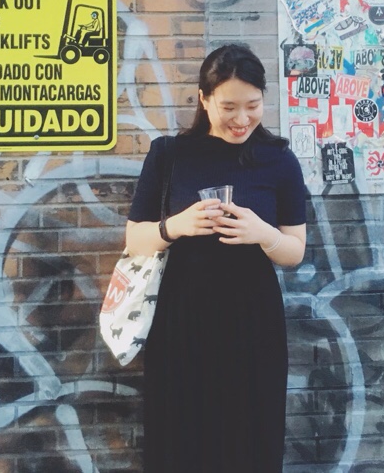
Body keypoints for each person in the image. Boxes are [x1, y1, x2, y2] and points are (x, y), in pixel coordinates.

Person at [125, 43, 308, 471]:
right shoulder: (169, 155)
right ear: (204, 100)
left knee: (249, 437)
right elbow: (134, 240)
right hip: (181, 320)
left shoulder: (279, 160)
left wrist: (263, 234)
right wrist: (176, 226)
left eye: (253, 105)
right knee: (182, 437)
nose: (242, 119)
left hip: (253, 322)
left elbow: (294, 251)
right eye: (229, 107)